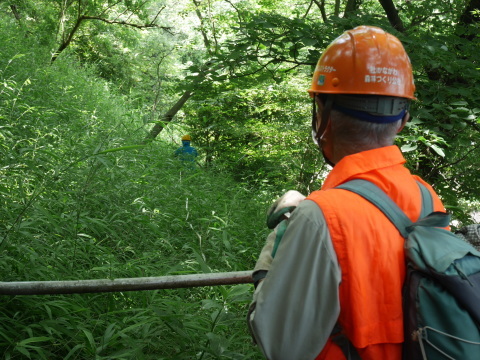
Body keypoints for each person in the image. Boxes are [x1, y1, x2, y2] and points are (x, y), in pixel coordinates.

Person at [247, 26, 447, 360]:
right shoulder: (427, 198)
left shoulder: (320, 216)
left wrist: (270, 261)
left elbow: (281, 346)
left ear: (322, 111)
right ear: (402, 120)